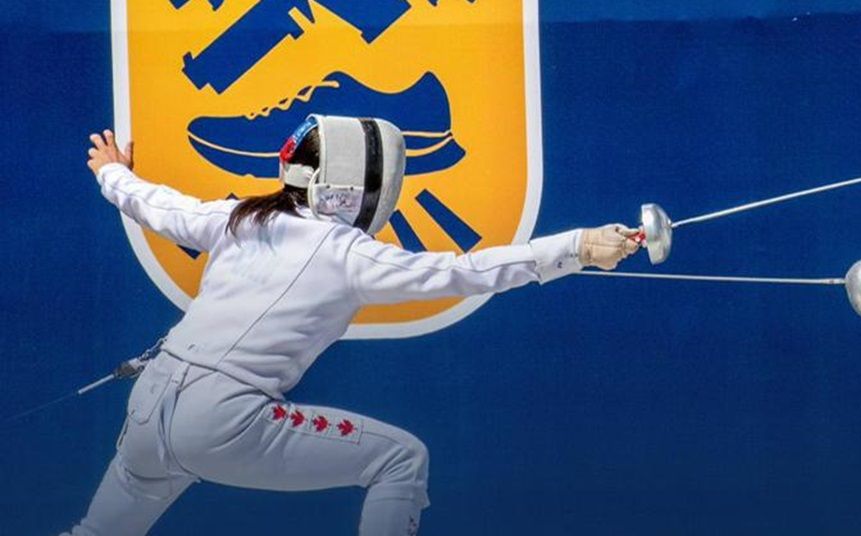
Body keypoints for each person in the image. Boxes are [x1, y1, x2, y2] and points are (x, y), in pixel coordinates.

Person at [66, 116, 640, 535]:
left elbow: (151, 202)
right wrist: (577, 247)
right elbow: (465, 272)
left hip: (148, 408)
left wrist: (112, 172)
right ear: (353, 185)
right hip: (223, 418)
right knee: (400, 460)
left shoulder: (238, 216)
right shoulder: (347, 253)